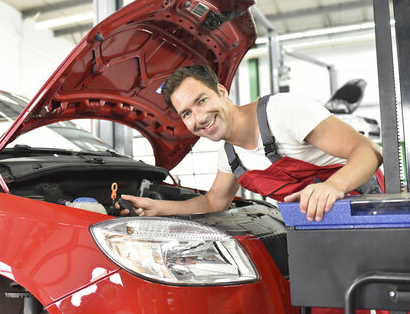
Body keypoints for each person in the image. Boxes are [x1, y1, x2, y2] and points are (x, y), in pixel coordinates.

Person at [117, 64, 383, 221]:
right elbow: (214, 203)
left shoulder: (282, 111)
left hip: (364, 208)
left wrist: (334, 185)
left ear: (222, 91)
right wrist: (157, 207)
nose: (199, 118)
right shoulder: (231, 156)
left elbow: (369, 150)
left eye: (202, 100)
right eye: (186, 113)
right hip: (314, 221)